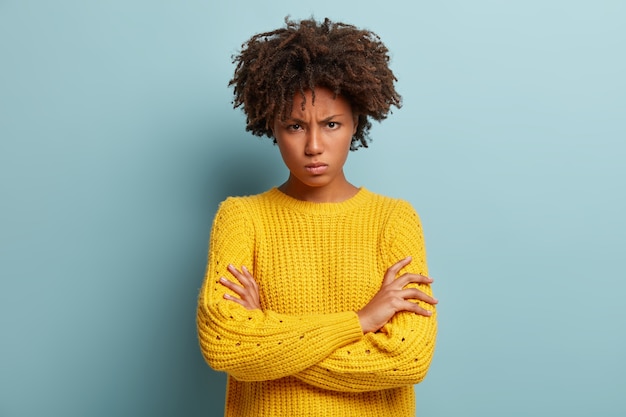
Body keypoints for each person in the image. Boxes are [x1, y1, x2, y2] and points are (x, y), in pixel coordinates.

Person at [197, 17, 438, 417]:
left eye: (331, 124)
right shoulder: (241, 218)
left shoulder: (394, 219)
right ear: (272, 125)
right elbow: (225, 342)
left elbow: (406, 359)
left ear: (355, 123)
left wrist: (270, 340)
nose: (313, 145)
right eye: (294, 125)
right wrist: (361, 322)